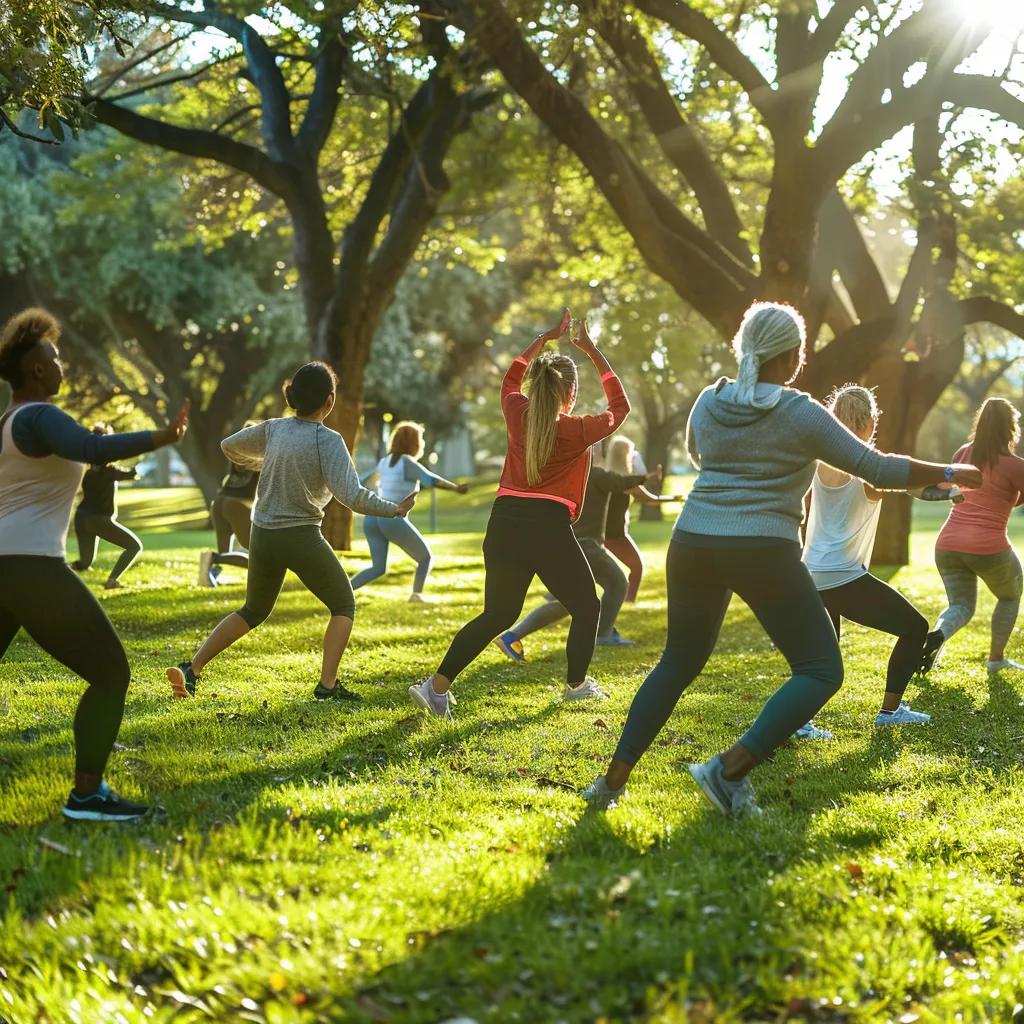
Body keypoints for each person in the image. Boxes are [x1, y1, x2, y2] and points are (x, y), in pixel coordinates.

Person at [582, 302, 981, 814]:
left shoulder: (709, 400)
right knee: (820, 670)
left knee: (677, 662)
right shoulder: (800, 412)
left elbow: (700, 455)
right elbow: (877, 468)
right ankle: (728, 770)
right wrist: (949, 470)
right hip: (762, 546)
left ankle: (611, 783)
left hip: (693, 540)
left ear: (745, 348)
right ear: (793, 355)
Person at [0, 307, 189, 822]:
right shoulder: (40, 416)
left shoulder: (7, 422)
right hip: (31, 566)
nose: (62, 366)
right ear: (37, 369)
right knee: (110, 674)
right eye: (55, 358)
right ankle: (87, 796)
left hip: (5, 566)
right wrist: (162, 437)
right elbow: (90, 447)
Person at [408, 310, 630, 718]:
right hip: (547, 527)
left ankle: (435, 688)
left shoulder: (516, 411)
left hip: (504, 521)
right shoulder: (577, 429)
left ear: (537, 385)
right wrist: (592, 351)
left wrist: (542, 340)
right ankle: (577, 686)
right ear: (571, 393)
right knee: (586, 607)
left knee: (499, 613)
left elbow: (511, 379)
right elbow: (620, 406)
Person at [166, 362, 415, 704]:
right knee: (344, 605)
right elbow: (352, 496)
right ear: (329, 400)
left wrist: (266, 461)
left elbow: (229, 446)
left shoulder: (274, 429)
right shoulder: (328, 441)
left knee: (253, 610)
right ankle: (327, 686)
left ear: (293, 396)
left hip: (263, 533)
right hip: (300, 535)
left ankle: (191, 669)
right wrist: (395, 509)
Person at [798, 384, 961, 737]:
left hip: (811, 572)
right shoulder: (867, 469)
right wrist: (952, 488)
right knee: (915, 627)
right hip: (842, 575)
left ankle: (800, 722)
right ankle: (890, 711)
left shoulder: (819, 463)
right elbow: (913, 487)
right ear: (870, 422)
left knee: (823, 655)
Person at [493, 444, 677, 658]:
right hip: (588, 546)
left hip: (566, 544)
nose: (599, 450)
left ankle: (511, 636)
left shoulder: (570, 475)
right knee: (618, 583)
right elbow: (621, 482)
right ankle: (603, 634)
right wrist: (646, 477)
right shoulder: (595, 473)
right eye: (595, 446)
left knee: (567, 602)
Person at [920, 398, 1024, 676]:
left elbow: (948, 486)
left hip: (948, 544)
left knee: (960, 605)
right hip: (989, 548)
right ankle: (996, 659)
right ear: (1010, 427)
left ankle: (938, 635)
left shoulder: (962, 453)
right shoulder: (1015, 465)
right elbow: (1015, 498)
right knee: (1010, 595)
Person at [350, 421, 468, 602]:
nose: (423, 442)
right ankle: (416, 595)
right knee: (425, 558)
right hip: (391, 518)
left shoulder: (384, 462)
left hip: (372, 518)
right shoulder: (407, 463)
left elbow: (360, 480)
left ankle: (342, 592)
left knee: (377, 568)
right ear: (414, 443)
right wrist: (456, 488)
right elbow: (431, 480)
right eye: (420, 439)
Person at [70, 425, 143, 589]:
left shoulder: (88, 472)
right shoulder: (109, 471)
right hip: (98, 520)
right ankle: (112, 580)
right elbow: (132, 474)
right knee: (134, 546)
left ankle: (58, 574)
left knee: (85, 562)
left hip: (81, 518)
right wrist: (139, 455)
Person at [604, 436, 674, 604]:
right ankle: (629, 601)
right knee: (637, 567)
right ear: (625, 456)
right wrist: (675, 499)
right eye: (631, 454)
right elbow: (649, 500)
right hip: (615, 536)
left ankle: (624, 600)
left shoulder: (606, 477)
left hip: (602, 534)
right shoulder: (626, 482)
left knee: (600, 573)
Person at [198, 454, 259, 587]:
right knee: (260, 555)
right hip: (237, 505)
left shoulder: (239, 452)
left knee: (225, 553)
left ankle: (210, 574)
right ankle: (212, 559)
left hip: (219, 502)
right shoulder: (262, 455)